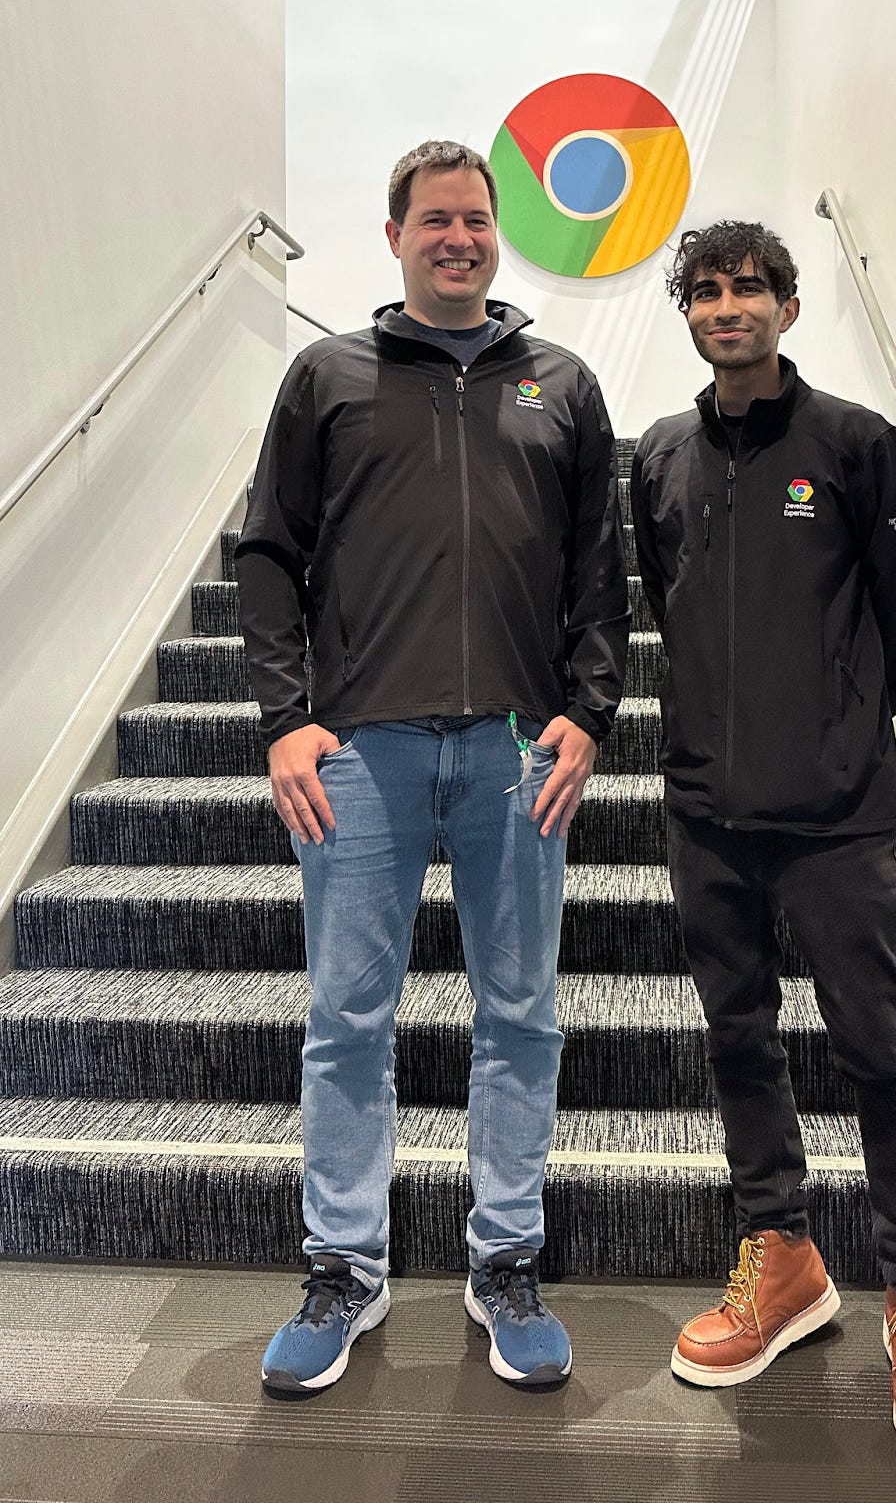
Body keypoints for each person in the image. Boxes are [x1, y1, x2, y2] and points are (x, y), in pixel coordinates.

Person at [236, 140, 628, 1393]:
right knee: (348, 1022)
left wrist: (592, 711)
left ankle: (504, 1260)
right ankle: (343, 1268)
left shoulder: (558, 383)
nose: (457, 237)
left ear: (495, 232)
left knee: (522, 1016)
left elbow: (596, 575)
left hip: (520, 750)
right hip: (360, 753)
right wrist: (287, 717)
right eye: (434, 220)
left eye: (475, 218)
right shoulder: (328, 375)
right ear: (394, 233)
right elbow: (267, 552)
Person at [629, 220, 896, 1457]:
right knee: (738, 1040)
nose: (730, 307)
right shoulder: (663, 455)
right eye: (708, 291)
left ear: (787, 305)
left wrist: (836, 726)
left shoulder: (854, 445)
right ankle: (780, 1255)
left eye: (752, 289)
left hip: (836, 815)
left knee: (882, 1052)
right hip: (705, 808)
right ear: (688, 312)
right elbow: (658, 594)